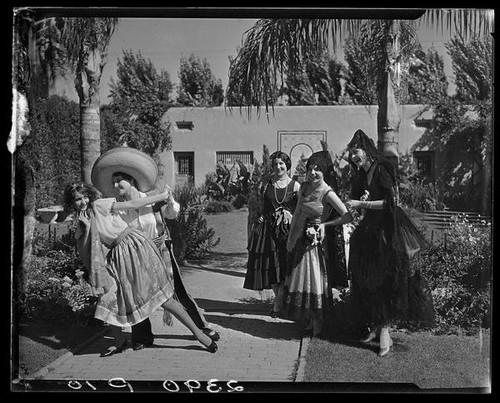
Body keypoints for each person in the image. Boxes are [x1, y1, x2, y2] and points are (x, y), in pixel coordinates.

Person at [63, 183, 218, 357]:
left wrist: (162, 196)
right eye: (78, 199)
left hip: (133, 246)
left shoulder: (99, 205)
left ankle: (199, 334)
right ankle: (119, 342)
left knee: (161, 296)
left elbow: (132, 205)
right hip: (117, 257)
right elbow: (86, 252)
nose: (83, 201)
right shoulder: (82, 221)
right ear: (72, 202)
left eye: (85, 197)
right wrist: (84, 228)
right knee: (108, 297)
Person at [345, 129, 435, 357]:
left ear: (365, 150)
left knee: (386, 278)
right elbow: (362, 202)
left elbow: (389, 204)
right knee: (365, 277)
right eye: (351, 153)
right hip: (369, 232)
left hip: (387, 233)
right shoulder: (360, 173)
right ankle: (376, 326)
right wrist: (361, 202)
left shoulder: (382, 169)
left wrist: (361, 204)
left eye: (356, 152)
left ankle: (385, 330)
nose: (354, 157)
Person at [110, 171, 220, 350]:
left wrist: (169, 200)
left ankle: (202, 327)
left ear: (131, 180)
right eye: (113, 182)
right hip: (137, 256)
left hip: (160, 251)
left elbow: (172, 214)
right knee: (139, 296)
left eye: (118, 181)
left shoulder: (152, 198)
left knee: (177, 292)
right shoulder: (120, 208)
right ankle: (142, 337)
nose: (115, 186)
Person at [282, 151, 353, 336]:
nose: (313, 173)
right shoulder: (304, 187)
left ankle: (318, 322)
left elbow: (347, 216)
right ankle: (309, 320)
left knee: (314, 281)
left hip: (315, 246)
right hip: (299, 240)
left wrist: (324, 224)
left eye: (317, 169)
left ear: (324, 172)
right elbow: (297, 212)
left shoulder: (327, 192)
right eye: (310, 169)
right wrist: (291, 238)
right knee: (300, 280)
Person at [244, 151, 300, 317]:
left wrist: (291, 216)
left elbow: (301, 209)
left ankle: (280, 300)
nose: (278, 167)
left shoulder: (296, 186)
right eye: (275, 164)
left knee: (286, 266)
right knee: (271, 267)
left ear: (287, 165)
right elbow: (257, 206)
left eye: (281, 164)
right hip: (268, 231)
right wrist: (258, 220)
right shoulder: (265, 185)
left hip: (288, 233)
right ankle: (279, 298)